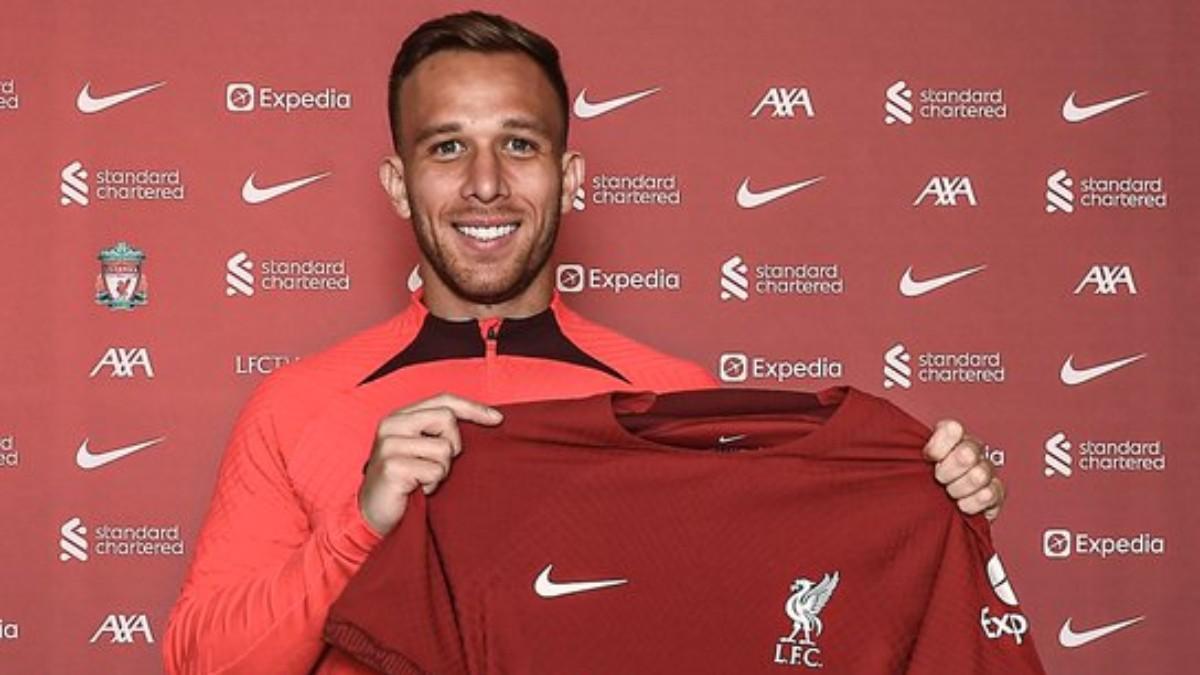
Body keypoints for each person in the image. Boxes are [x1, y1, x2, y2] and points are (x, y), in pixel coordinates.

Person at [163, 11, 1004, 675]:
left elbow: (790, 614)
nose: (485, 184)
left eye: (519, 145)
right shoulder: (296, 405)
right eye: (447, 147)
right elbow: (203, 662)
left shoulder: (677, 401)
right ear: (398, 183)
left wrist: (930, 500)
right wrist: (362, 523)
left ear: (570, 179)